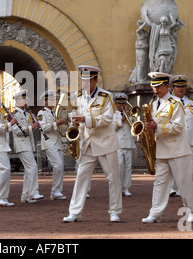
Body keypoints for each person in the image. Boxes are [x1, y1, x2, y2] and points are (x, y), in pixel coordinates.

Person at [63, 65, 122, 223]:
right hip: (87, 142)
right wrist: (74, 120)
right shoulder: (78, 96)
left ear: (95, 80)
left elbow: (108, 119)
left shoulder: (106, 96)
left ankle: (114, 211)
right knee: (81, 176)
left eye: (87, 80)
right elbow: (76, 114)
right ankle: (75, 212)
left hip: (106, 142)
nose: (84, 82)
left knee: (113, 178)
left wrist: (86, 120)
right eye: (82, 79)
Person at [142, 72, 193, 223]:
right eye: (154, 87)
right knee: (160, 183)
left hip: (177, 150)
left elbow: (178, 127)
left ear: (167, 86)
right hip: (161, 150)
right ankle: (155, 213)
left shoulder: (175, 104)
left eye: (159, 86)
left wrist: (157, 126)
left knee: (184, 183)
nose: (155, 90)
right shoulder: (154, 104)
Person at [12, 89, 44, 203]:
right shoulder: (14, 114)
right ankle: (33, 192)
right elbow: (17, 131)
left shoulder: (27, 114)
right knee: (32, 167)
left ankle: (25, 196)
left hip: (28, 144)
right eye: (24, 99)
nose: (26, 101)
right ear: (18, 101)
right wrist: (33, 126)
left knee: (28, 170)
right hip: (21, 144)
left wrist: (34, 123)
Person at [37, 90, 66, 200]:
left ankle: (58, 190)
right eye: (51, 99)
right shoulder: (41, 113)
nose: (53, 101)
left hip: (57, 142)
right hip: (49, 143)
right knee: (57, 165)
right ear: (45, 101)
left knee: (61, 167)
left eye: (54, 99)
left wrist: (65, 121)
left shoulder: (55, 112)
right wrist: (56, 123)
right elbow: (43, 128)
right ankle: (54, 191)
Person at [112, 93, 136, 197]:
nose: (121, 105)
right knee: (119, 165)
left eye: (123, 103)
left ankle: (126, 188)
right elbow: (112, 128)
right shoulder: (113, 115)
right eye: (119, 103)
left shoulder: (130, 114)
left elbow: (135, 127)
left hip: (128, 143)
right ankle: (117, 187)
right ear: (116, 104)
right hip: (117, 143)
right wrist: (122, 120)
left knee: (128, 166)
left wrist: (132, 118)